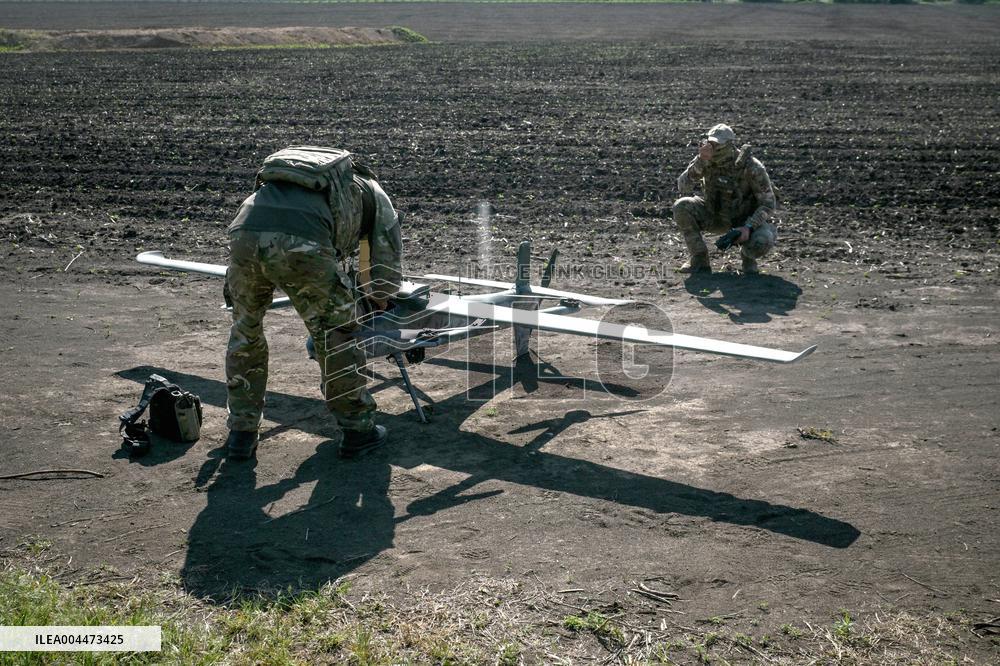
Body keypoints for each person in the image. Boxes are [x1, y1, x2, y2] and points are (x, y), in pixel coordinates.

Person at [224, 147, 403, 460]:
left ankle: (242, 432)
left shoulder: (313, 184)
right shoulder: (376, 198)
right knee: (335, 334)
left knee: (245, 329)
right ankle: (357, 429)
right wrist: (375, 302)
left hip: (245, 228)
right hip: (303, 239)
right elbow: (383, 278)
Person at [672, 124, 778, 274]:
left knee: (762, 241)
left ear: (729, 145)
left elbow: (768, 204)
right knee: (681, 206)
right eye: (710, 144)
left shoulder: (751, 166)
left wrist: (748, 227)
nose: (712, 149)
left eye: (717, 145)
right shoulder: (705, 160)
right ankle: (699, 258)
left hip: (742, 220)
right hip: (713, 215)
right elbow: (683, 186)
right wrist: (701, 161)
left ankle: (748, 258)